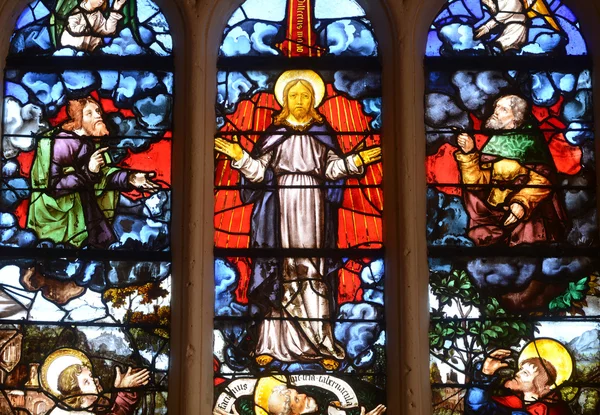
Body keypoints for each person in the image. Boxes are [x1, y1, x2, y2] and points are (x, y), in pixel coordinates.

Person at [214, 70, 381, 370]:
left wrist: (357, 161)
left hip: (313, 206)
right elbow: (260, 173)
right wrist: (240, 157)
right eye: (294, 95)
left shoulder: (322, 133)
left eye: (305, 95)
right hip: (278, 208)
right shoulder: (275, 135)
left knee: (312, 270)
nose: (300, 100)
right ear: (285, 101)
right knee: (280, 270)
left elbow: (332, 171)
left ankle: (321, 343)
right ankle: (270, 343)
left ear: (314, 100)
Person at [28, 96, 159, 249]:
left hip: (89, 215)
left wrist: (129, 178)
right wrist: (88, 172)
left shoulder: (91, 142)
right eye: (89, 113)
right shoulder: (61, 144)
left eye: (97, 110)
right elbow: (54, 188)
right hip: (64, 225)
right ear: (77, 119)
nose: (98, 115)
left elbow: (103, 174)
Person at [455, 94, 566, 246]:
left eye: (503, 109)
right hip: (493, 215)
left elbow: (543, 179)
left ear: (516, 118)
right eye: (497, 107)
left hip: (526, 219)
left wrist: (522, 203)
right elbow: (477, 184)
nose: (496, 111)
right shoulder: (495, 142)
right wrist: (469, 153)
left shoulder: (530, 143)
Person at [465, 344, 573, 415]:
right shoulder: (509, 402)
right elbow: (477, 408)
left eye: (525, 373)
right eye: (520, 369)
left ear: (541, 384)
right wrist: (486, 373)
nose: (517, 374)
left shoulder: (553, 411)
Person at [41, 348, 150, 415]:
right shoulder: (69, 414)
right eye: (86, 382)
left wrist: (120, 389)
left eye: (91, 376)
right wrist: (125, 393)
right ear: (79, 397)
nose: (96, 381)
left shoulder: (89, 409)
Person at [475, 0, 560, 52]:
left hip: (515, 29)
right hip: (504, 28)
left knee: (507, 47)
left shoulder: (513, 1)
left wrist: (487, 27)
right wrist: (490, 4)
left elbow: (504, 14)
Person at [60, 0, 128, 52]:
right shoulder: (76, 12)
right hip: (70, 51)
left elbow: (107, 31)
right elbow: (73, 28)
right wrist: (88, 26)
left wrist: (115, 10)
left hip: (89, 54)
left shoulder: (98, 15)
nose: (101, 1)